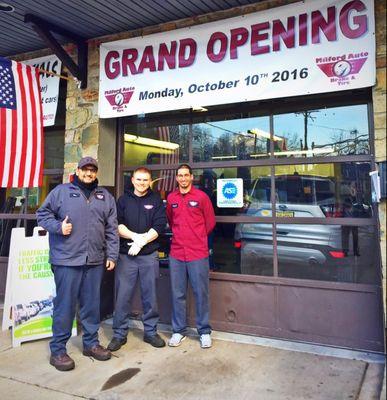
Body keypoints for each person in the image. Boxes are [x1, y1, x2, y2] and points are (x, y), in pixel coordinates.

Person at [36, 157, 119, 371]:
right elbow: (42, 214)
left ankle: (91, 344)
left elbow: (111, 229)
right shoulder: (61, 192)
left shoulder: (104, 197)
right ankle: (58, 350)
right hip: (66, 260)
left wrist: (111, 255)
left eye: (92, 170)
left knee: (92, 306)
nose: (89, 174)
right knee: (65, 307)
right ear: (78, 171)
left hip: (94, 261)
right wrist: (57, 227)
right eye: (85, 170)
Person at [107, 167, 167, 351]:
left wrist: (142, 243)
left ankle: (150, 332)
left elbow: (159, 225)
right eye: (139, 179)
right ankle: (119, 334)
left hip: (148, 256)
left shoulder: (155, 200)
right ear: (132, 180)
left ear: (150, 181)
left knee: (150, 295)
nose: (142, 183)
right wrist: (135, 238)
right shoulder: (123, 200)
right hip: (127, 257)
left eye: (145, 180)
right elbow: (117, 225)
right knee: (123, 296)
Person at [166, 164, 216, 348]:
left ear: (192, 177)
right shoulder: (171, 198)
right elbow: (171, 221)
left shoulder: (201, 197)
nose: (183, 179)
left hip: (197, 253)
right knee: (177, 293)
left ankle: (204, 331)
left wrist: (197, 238)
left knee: (201, 293)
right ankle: (178, 331)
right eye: (180, 176)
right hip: (177, 253)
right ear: (177, 178)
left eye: (186, 175)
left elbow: (210, 222)